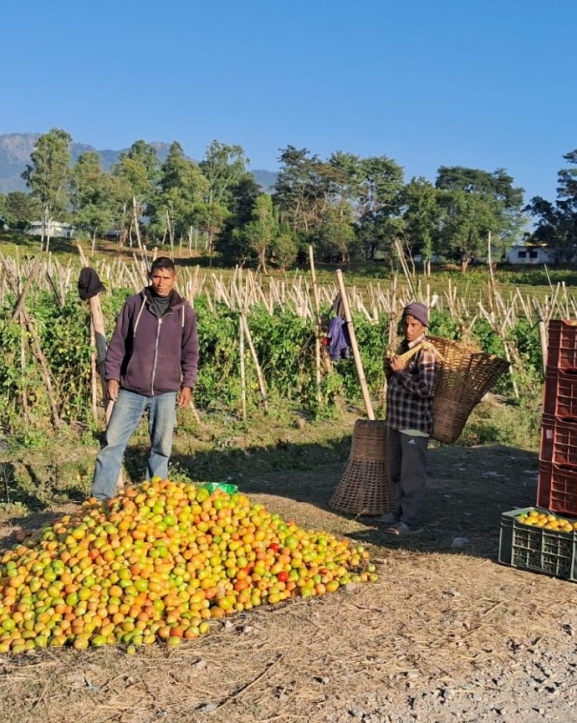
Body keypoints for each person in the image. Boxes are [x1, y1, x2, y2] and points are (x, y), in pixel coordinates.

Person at [91, 257, 199, 501]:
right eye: (156, 277)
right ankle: (99, 499)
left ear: (175, 279)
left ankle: (154, 499)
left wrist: (188, 383)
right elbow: (118, 344)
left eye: (166, 278)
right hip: (131, 389)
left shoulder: (185, 313)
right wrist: (112, 377)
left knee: (162, 448)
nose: (160, 282)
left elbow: (190, 352)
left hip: (166, 391)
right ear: (149, 276)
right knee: (112, 443)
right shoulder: (134, 305)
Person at [380, 302, 437, 535]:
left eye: (414, 325)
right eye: (406, 324)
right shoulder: (404, 348)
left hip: (414, 424)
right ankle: (397, 512)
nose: (409, 329)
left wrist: (401, 372)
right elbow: (394, 381)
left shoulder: (427, 353)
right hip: (396, 421)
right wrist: (390, 369)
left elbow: (427, 389)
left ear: (424, 326)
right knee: (397, 470)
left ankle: (410, 522)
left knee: (412, 474)